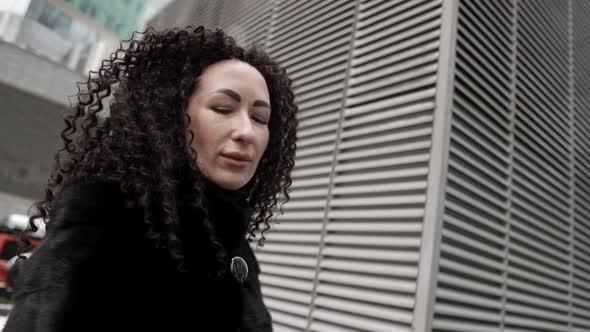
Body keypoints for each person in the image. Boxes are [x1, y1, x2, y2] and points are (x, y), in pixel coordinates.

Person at [3, 26, 298, 332]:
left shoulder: (232, 248)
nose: (246, 132)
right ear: (170, 118)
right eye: (223, 108)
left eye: (260, 118)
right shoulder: (103, 234)